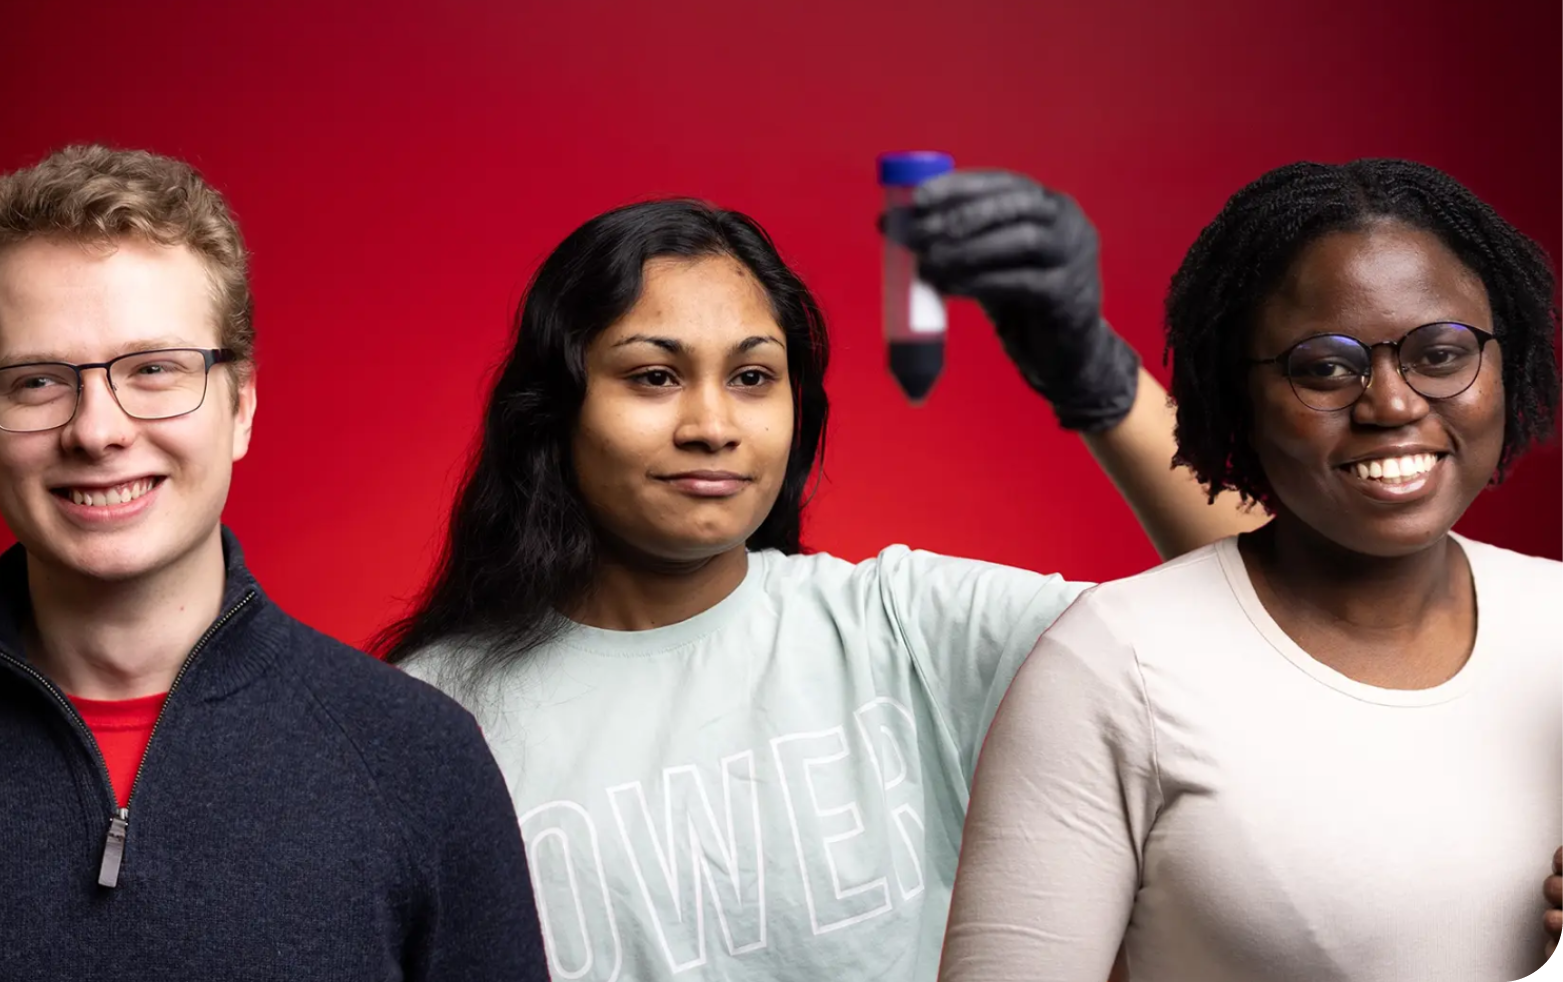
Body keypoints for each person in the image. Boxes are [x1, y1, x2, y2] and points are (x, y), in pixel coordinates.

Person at [384, 173, 1266, 981]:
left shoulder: (907, 629)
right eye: (654, 376)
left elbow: (1273, 612)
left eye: (753, 376)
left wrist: (1099, 379)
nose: (713, 423)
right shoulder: (427, 719)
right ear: (555, 410)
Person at [0, 145, 549, 981]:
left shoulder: (419, 759)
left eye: (154, 369)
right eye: (37, 382)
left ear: (240, 405)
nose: (97, 430)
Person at [938, 158, 1561, 982]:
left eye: (1440, 352)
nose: (1392, 404)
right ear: (1237, 397)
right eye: (1325, 367)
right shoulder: (1114, 666)